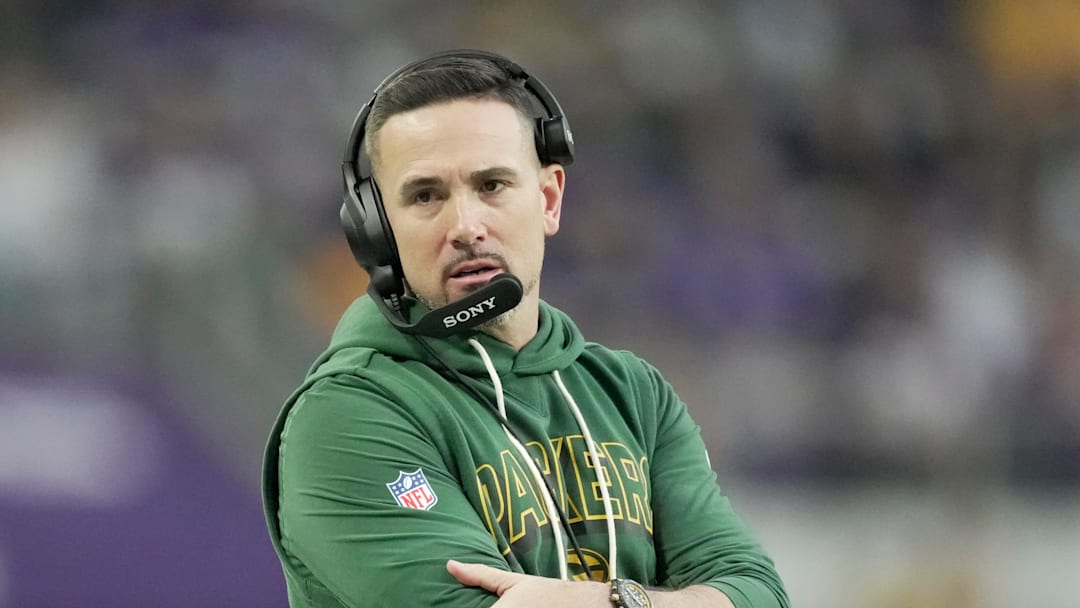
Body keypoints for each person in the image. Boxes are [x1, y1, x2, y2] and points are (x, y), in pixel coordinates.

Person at [262, 49, 789, 608]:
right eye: (425, 196)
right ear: (377, 231)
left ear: (548, 199)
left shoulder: (636, 395)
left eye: (491, 185)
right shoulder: (347, 416)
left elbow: (758, 593)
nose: (466, 226)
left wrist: (609, 601)